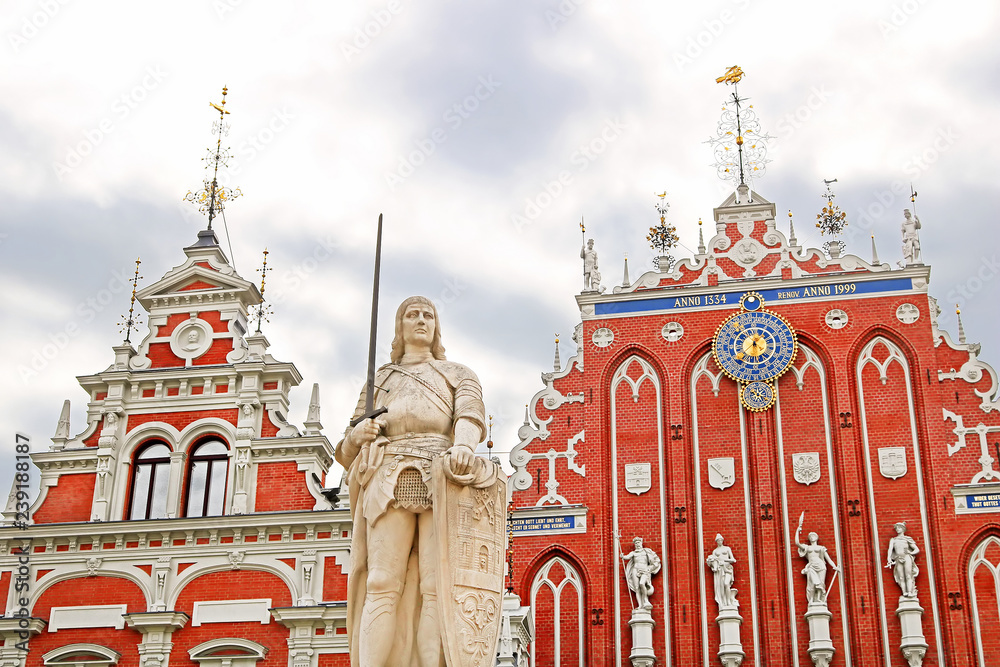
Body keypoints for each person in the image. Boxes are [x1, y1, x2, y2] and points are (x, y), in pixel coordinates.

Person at [335, 296, 490, 666]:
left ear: (436, 326)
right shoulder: (381, 379)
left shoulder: (459, 373)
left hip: (442, 474)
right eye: (411, 314)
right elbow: (345, 449)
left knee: (437, 587)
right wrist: (359, 435)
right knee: (382, 582)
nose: (420, 320)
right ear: (399, 326)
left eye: (428, 315)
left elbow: (470, 417)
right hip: (390, 475)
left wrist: (465, 446)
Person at [796, 525, 840, 605]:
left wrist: (835, 566)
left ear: (816, 538)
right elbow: (797, 543)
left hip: (821, 566)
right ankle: (811, 600)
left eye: (813, 536)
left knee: (821, 583)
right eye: (810, 536)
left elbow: (828, 559)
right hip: (811, 566)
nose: (812, 537)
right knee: (812, 584)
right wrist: (797, 531)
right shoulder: (807, 548)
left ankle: (819, 599)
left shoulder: (821, 548)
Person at [622, 536, 661, 610]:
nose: (637, 544)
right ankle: (640, 605)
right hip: (635, 570)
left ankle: (646, 600)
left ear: (641, 543)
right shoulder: (633, 553)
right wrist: (623, 556)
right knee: (637, 588)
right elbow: (627, 557)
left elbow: (655, 560)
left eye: (638, 542)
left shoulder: (646, 551)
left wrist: (650, 568)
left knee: (642, 583)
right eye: (636, 543)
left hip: (644, 570)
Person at [885, 521, 920, 598]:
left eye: (899, 528)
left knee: (908, 575)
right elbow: (890, 550)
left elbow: (917, 549)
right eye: (896, 528)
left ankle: (910, 592)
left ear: (903, 529)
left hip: (907, 557)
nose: (897, 529)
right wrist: (889, 559)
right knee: (901, 577)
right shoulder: (893, 540)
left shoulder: (907, 539)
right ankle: (904, 592)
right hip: (898, 559)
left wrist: (910, 553)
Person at [706, 534, 738, 609]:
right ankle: (724, 603)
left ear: (722, 540)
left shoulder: (727, 549)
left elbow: (733, 560)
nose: (719, 541)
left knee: (726, 584)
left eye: (720, 540)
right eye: (718, 540)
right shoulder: (715, 551)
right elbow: (712, 562)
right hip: (720, 570)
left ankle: (729, 601)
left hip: (728, 569)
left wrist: (724, 560)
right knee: (720, 587)